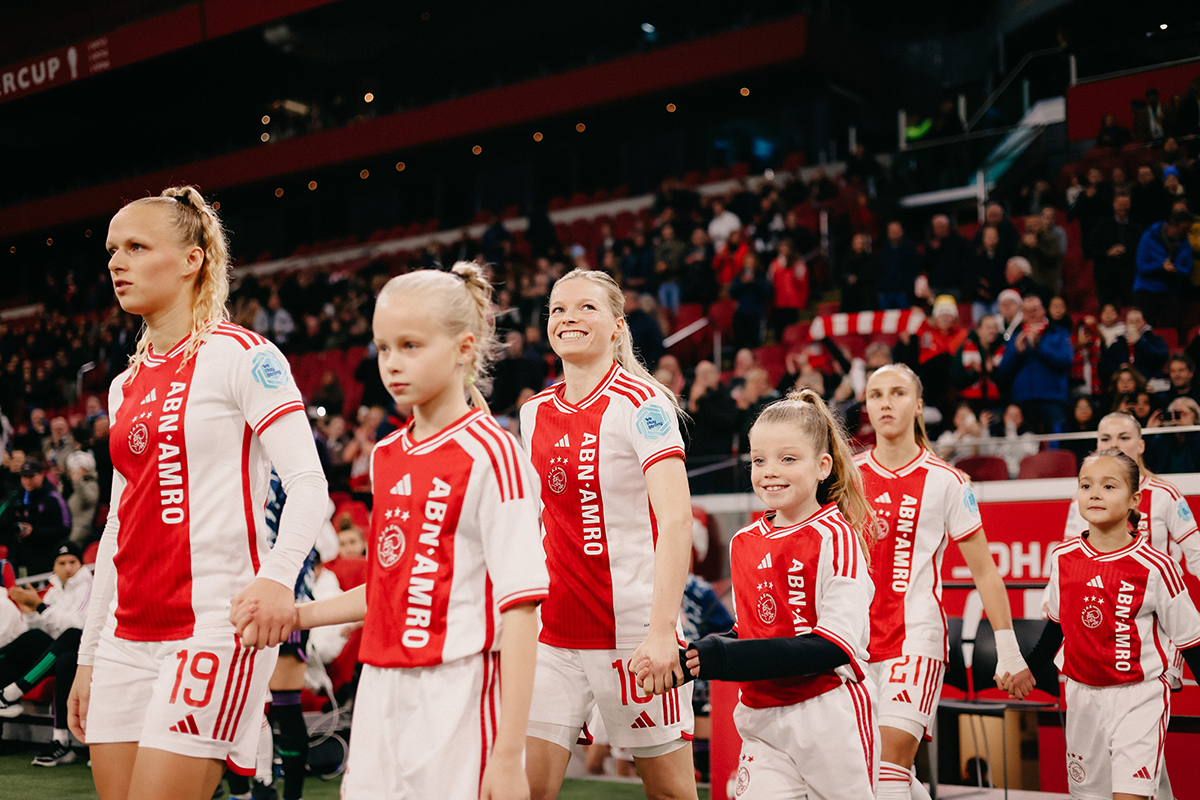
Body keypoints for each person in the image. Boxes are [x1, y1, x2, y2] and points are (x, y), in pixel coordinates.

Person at [67, 186, 327, 800]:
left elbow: (308, 484)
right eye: (111, 251)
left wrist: (276, 577)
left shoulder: (242, 355)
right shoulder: (123, 384)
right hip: (126, 638)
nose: (116, 263)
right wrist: (87, 653)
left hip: (213, 627)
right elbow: (116, 525)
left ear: (192, 260)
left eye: (135, 246)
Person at [272, 263, 548, 799]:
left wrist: (510, 754)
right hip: (379, 689)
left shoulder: (494, 455)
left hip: (458, 693)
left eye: (410, 346)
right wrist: (296, 614)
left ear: (465, 348)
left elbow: (521, 613)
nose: (393, 364)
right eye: (383, 348)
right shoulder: (387, 455)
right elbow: (386, 587)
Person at [520, 268, 698, 800]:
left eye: (586, 308)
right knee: (525, 791)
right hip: (552, 637)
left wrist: (663, 631)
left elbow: (676, 520)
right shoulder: (533, 412)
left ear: (618, 325)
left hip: (634, 635)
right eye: (557, 309)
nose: (569, 317)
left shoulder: (643, 404)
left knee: (670, 794)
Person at [647, 390, 879, 798]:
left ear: (823, 466)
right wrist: (693, 659)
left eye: (788, 459)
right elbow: (753, 633)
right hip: (760, 719)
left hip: (829, 718)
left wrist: (720, 657)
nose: (770, 471)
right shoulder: (743, 541)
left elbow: (833, 647)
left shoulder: (835, 536)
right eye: (759, 460)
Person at [856, 364, 1028, 800]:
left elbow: (985, 570)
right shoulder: (846, 477)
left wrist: (1008, 650)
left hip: (916, 639)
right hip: (852, 641)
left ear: (917, 405)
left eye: (897, 393)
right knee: (865, 770)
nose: (885, 403)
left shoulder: (947, 480)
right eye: (875, 395)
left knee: (888, 771)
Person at [1004, 450, 1200, 800]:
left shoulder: (1157, 567)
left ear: (1134, 499)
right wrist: (1029, 668)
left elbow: (1192, 641)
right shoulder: (1063, 558)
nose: (1094, 493)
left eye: (1109, 486)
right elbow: (1058, 625)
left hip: (1140, 698)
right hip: (1081, 698)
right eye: (1086, 485)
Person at [0, 541, 92, 766]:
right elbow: (46, 633)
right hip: (65, 652)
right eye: (62, 563)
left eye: (73, 562)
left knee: (69, 641)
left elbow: (78, 626)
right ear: (54, 566)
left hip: (89, 651)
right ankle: (60, 743)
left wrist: (40, 607)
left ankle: (10, 694)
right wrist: (31, 613)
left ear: (81, 564)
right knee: (37, 640)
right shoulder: (52, 591)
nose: (68, 567)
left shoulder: (89, 586)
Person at [998, 293, 1074, 434]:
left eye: (1035, 310)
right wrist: (1017, 353)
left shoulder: (1059, 333)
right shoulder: (1015, 337)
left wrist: (1039, 346)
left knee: (1054, 448)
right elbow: (1003, 372)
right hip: (1023, 401)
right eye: (1027, 311)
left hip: (1052, 400)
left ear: (1043, 310)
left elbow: (1066, 361)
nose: (1031, 314)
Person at [0, 457, 71, 576]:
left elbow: (65, 528)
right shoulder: (16, 496)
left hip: (46, 556)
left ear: (41, 475)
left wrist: (34, 531)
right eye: (24, 476)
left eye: (31, 476)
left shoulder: (53, 498)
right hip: (20, 555)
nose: (27, 480)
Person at [1134, 209, 1195, 331]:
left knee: (1170, 329)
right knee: (1144, 330)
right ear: (1172, 226)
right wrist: (1160, 266)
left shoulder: (1185, 242)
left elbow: (1188, 269)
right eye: (1184, 229)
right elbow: (1141, 266)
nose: (1187, 232)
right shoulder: (1149, 237)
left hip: (1170, 293)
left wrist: (1175, 268)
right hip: (1146, 292)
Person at [1086, 193, 1144, 310]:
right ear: (1113, 205)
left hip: (1128, 278)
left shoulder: (1137, 229)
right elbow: (1089, 251)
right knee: (1107, 312)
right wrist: (1107, 253)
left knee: (1130, 311)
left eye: (1125, 204)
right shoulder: (1102, 226)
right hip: (1106, 278)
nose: (1123, 207)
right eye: (1120, 204)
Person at [1145, 397, 1200, 474]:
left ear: (1194, 415)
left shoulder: (1197, 437)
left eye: (1181, 413)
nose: (1177, 418)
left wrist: (1191, 430)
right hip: (1166, 480)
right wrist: (1149, 433)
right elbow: (1148, 461)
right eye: (1174, 413)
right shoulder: (1162, 439)